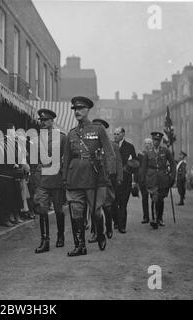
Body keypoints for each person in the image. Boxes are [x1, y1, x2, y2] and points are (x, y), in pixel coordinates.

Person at [62, 97, 116, 256]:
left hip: (94, 178)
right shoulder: (71, 134)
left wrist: (110, 175)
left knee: (96, 211)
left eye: (80, 109)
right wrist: (64, 178)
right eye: (75, 109)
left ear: (87, 110)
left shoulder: (98, 130)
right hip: (75, 178)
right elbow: (66, 159)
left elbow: (110, 154)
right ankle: (80, 246)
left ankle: (100, 232)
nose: (77, 112)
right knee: (76, 211)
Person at [33, 109, 66, 253]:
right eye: (41, 120)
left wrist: (65, 176)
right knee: (42, 209)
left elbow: (66, 159)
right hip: (42, 180)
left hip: (57, 179)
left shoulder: (62, 137)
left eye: (46, 120)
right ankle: (45, 241)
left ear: (52, 121)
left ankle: (60, 235)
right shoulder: (36, 139)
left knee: (59, 210)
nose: (43, 123)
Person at [89, 119, 122, 241]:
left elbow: (117, 162)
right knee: (93, 207)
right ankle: (95, 232)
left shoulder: (112, 145)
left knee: (107, 206)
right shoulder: (89, 144)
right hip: (92, 179)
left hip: (106, 179)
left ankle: (108, 226)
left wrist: (117, 177)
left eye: (100, 127)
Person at [140, 132, 176, 229]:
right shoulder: (148, 153)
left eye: (158, 140)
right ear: (152, 140)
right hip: (151, 178)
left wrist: (173, 177)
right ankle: (154, 219)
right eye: (154, 140)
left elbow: (173, 164)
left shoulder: (165, 151)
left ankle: (159, 218)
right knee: (154, 197)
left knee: (160, 199)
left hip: (163, 178)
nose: (156, 142)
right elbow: (143, 167)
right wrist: (142, 179)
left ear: (160, 141)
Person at [112, 127, 138, 233]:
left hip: (125, 180)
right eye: (114, 134)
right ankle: (116, 221)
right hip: (113, 179)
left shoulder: (129, 147)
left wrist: (134, 180)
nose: (115, 136)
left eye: (117, 134)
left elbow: (136, 163)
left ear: (123, 134)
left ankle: (122, 226)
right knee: (113, 203)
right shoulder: (111, 145)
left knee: (123, 203)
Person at [138, 138, 154, 223]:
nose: (147, 145)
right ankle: (146, 217)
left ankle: (154, 217)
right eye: (146, 143)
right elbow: (138, 167)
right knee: (144, 198)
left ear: (151, 145)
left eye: (149, 143)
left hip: (152, 178)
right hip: (143, 179)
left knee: (154, 198)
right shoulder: (140, 155)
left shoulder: (154, 154)